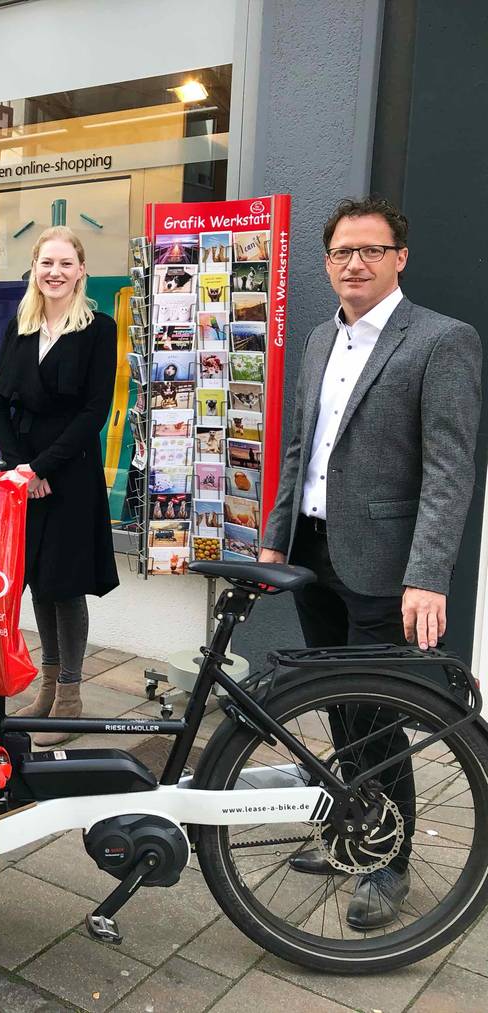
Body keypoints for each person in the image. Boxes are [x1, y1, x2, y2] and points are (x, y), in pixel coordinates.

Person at [260, 196, 482, 929]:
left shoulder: (442, 341)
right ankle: (353, 830)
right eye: (341, 253)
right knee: (333, 706)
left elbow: (450, 469)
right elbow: (300, 446)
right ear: (327, 264)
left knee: (377, 716)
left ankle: (389, 861)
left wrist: (428, 572)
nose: (355, 263)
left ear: (400, 257)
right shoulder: (322, 339)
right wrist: (274, 535)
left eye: (371, 250)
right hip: (315, 551)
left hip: (387, 564)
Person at [0, 226, 119, 746]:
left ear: (80, 271)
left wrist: (43, 468)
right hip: (25, 475)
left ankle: (70, 695)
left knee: (65, 584)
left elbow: (94, 412)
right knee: (38, 580)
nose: (55, 272)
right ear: (34, 268)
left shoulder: (98, 328)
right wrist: (22, 469)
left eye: (66, 263)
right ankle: (46, 686)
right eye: (47, 262)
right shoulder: (19, 328)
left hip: (70, 472)